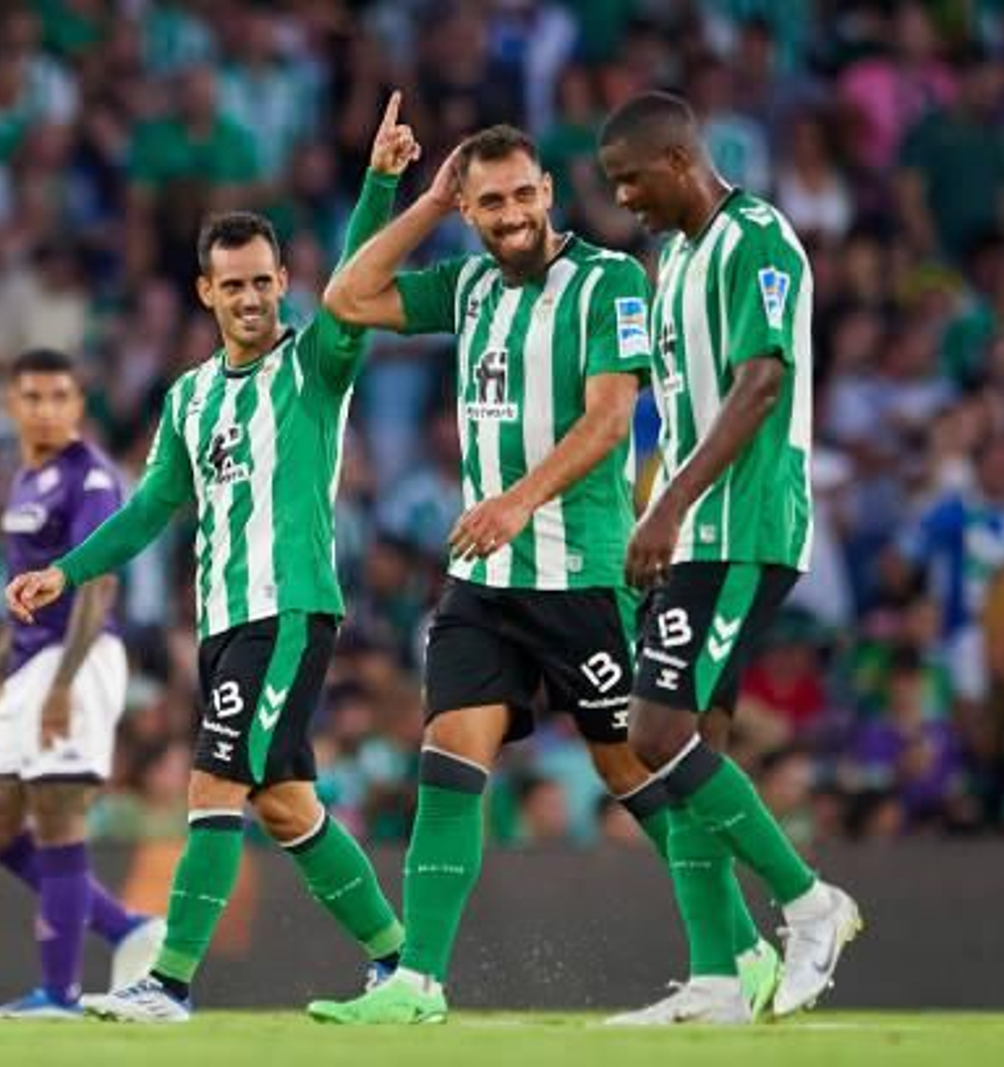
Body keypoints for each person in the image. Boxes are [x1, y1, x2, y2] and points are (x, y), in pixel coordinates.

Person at [305, 121, 774, 1026]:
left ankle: (738, 949)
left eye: (523, 194)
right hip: (486, 585)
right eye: (488, 201)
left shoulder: (609, 282)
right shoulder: (470, 283)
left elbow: (609, 421)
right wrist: (423, 201)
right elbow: (347, 297)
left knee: (639, 773)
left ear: (549, 191)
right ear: (471, 210)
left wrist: (518, 500)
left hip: (583, 577)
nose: (510, 215)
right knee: (447, 762)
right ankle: (420, 981)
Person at [6, 94, 418, 1023]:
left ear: (283, 282)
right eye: (232, 285)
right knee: (285, 806)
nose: (250, 298)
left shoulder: (316, 364)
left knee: (215, 781)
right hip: (226, 622)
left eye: (264, 282)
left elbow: (355, 280)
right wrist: (65, 570)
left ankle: (170, 980)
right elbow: (153, 505)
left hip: (288, 607)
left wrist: (380, 180)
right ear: (206, 292)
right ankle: (402, 966)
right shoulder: (190, 398)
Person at [596, 91, 862, 1024]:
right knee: (690, 746)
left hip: (744, 525)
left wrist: (666, 506)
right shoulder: (670, 263)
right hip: (691, 531)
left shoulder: (760, 241)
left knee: (653, 736)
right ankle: (716, 975)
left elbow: (759, 385)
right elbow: (681, 408)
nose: (623, 197)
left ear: (677, 160)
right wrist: (651, 506)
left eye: (630, 178)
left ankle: (808, 903)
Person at [0, 347, 163, 1020]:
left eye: (59, 396)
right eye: (33, 396)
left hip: (76, 657)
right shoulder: (24, 479)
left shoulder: (92, 478)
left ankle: (60, 993)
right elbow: (20, 590)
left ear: (79, 404)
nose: (46, 408)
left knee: (56, 813)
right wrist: (0, 670)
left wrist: (63, 683)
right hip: (27, 661)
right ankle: (126, 927)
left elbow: (99, 579)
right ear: (12, 404)